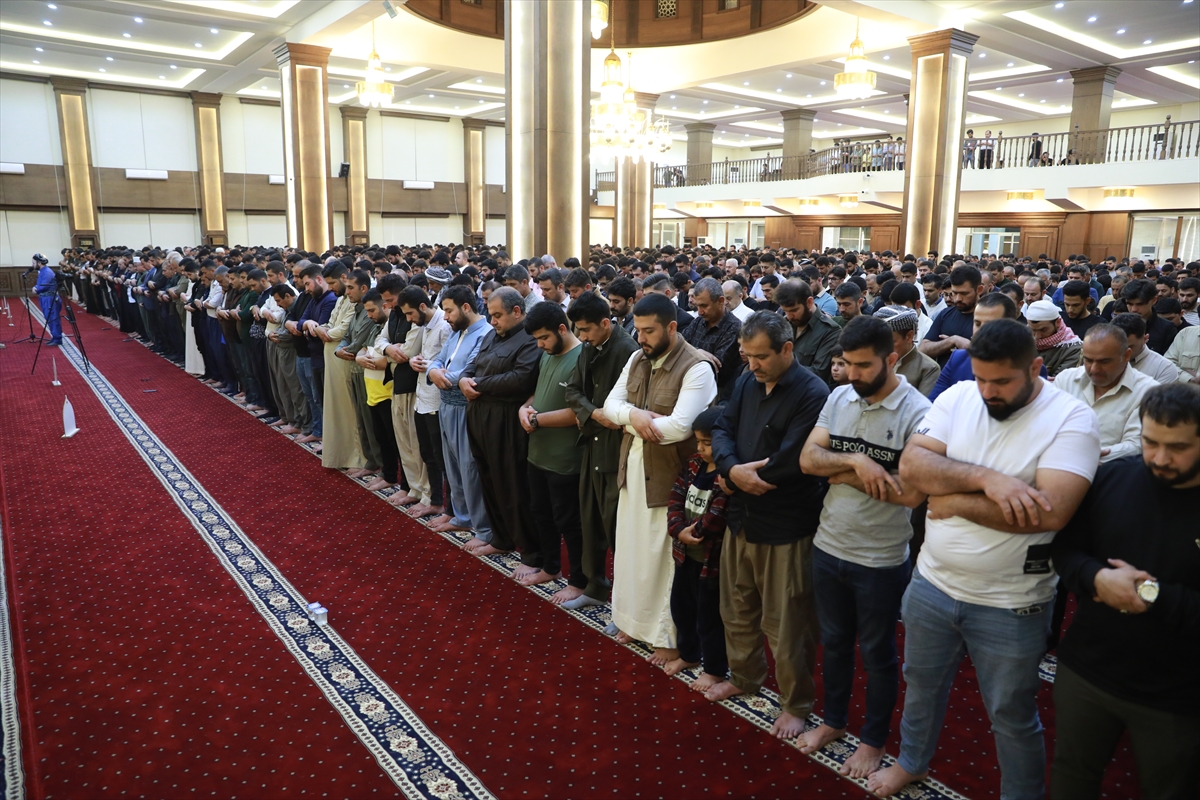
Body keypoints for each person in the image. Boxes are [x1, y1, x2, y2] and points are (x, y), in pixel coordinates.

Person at [870, 319, 1100, 799]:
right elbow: (913, 466)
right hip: (932, 584)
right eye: (980, 379)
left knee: (1011, 714)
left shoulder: (1072, 418)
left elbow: (1050, 513)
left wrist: (952, 501)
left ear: (1035, 368)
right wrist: (989, 481)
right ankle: (912, 762)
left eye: (1002, 381)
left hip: (1013, 602)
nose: (988, 392)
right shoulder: (959, 397)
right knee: (921, 687)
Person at [1050, 383, 1200, 799]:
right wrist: (1096, 578)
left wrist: (1150, 594)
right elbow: (1065, 550)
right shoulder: (1114, 476)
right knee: (1070, 776)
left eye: (1178, 447)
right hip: (1087, 671)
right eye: (1150, 442)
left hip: (1177, 694)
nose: (1161, 458)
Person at [797, 316, 930, 777]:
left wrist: (838, 472)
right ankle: (834, 721)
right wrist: (858, 462)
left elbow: (911, 493)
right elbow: (808, 460)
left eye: (863, 365)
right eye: (846, 364)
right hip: (829, 543)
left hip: (881, 557)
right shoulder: (840, 396)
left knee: (877, 653)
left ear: (891, 359)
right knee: (833, 643)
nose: (852, 374)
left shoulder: (919, 411)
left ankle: (873, 742)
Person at [705, 311, 831, 741]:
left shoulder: (812, 391)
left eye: (761, 357)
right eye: (747, 356)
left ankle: (796, 704)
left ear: (787, 349)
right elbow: (722, 427)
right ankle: (744, 677)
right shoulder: (747, 380)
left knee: (787, 625)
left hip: (785, 525)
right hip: (741, 515)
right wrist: (731, 470)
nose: (753, 364)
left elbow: (793, 459)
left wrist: (739, 477)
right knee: (737, 609)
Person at [604, 293, 718, 666]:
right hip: (633, 470)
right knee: (632, 552)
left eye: (649, 331)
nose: (641, 338)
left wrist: (625, 419)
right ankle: (632, 623)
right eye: (637, 330)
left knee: (664, 562)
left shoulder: (697, 368)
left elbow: (678, 428)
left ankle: (667, 638)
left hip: (672, 480)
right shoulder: (637, 358)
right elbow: (609, 406)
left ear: (671, 327)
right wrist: (636, 416)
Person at [560, 291, 642, 610]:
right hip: (593, 444)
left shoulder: (628, 350)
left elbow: (631, 403)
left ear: (605, 323)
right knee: (590, 521)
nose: (581, 337)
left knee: (618, 530)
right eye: (578, 330)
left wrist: (603, 414)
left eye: (585, 330)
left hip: (616, 450)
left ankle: (625, 605)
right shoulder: (588, 346)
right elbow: (572, 391)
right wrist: (594, 413)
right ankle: (594, 588)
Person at [461, 287, 541, 563]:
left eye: (497, 315)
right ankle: (501, 538)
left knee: (512, 485)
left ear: (516, 312)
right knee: (488, 480)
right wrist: (464, 378)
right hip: (479, 416)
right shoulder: (492, 335)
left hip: (506, 420)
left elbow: (521, 378)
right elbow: (473, 364)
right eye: (490, 315)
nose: (492, 321)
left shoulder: (529, 337)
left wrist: (477, 384)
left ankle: (530, 552)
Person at [520, 302, 585, 587]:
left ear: (562, 329)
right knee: (541, 514)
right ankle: (550, 567)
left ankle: (579, 581)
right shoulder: (548, 355)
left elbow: (579, 412)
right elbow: (538, 394)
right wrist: (524, 408)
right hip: (538, 453)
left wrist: (536, 420)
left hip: (565, 458)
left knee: (569, 522)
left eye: (544, 337)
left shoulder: (582, 358)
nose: (540, 345)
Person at [663, 407, 729, 686]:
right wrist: (678, 530)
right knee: (681, 607)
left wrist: (695, 532)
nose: (700, 448)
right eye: (698, 441)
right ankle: (689, 654)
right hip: (684, 554)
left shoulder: (727, 474)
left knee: (709, 617)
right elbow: (676, 497)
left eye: (707, 443)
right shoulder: (693, 463)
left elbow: (719, 513)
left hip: (709, 561)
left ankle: (714, 669)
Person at [427, 285, 493, 540]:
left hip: (467, 409)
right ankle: (462, 517)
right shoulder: (456, 332)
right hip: (446, 406)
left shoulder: (485, 333)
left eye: (449, 311)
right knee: (453, 467)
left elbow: (470, 372)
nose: (445, 317)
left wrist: (440, 375)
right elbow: (437, 360)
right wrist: (434, 371)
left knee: (469, 468)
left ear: (466, 307)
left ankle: (483, 528)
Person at [1055, 325, 1159, 462]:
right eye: (1088, 360)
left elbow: (1136, 446)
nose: (1094, 369)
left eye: (1104, 362)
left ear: (1126, 355)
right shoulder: (1065, 380)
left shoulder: (1148, 392)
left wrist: (1084, 457)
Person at [397, 285, 452, 519]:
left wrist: (426, 365)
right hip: (422, 398)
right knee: (427, 453)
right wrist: (415, 361)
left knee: (441, 457)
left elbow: (451, 364)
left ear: (422, 306)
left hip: (437, 401)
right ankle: (435, 500)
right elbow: (423, 357)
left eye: (410, 313)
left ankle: (447, 506)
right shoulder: (424, 324)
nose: (409, 319)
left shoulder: (444, 325)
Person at [774, 279, 840, 385]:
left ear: (809, 302)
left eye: (794, 310)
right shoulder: (784, 324)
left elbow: (818, 373)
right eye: (785, 311)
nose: (789, 316)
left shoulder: (830, 331)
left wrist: (779, 368)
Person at [681, 278, 742, 392]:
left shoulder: (734, 328)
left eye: (704, 306)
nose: (700, 312)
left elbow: (714, 368)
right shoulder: (698, 321)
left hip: (717, 392)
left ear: (720, 301)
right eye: (698, 306)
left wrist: (689, 352)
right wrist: (697, 351)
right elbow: (677, 345)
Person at [919, 266, 982, 365]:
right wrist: (951, 341)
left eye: (964, 293)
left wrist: (968, 346)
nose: (958, 299)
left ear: (979, 290)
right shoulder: (945, 314)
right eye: (954, 293)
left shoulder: (990, 318)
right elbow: (923, 349)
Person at [875, 306, 940, 395]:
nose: (881, 347)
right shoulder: (872, 361)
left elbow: (922, 403)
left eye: (889, 342)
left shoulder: (928, 368)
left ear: (909, 336)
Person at [1110, 312, 1185, 384]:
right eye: (1117, 346)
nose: (1122, 352)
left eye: (1129, 347)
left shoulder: (1164, 368)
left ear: (1145, 339)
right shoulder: (1104, 361)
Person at [1026, 298, 1083, 378]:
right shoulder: (1022, 343)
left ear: (1057, 323)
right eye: (1032, 330)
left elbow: (1061, 381)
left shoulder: (1073, 349)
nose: (1037, 336)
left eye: (1043, 330)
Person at [1123, 279, 1178, 354]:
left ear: (1154, 300)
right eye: (1130, 304)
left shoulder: (1167, 328)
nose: (1134, 309)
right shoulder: (1117, 326)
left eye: (1140, 304)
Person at [31, 253, 64, 346]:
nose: (32, 265)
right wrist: (36, 287)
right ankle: (55, 336)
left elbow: (43, 286)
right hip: (45, 298)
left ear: (39, 263)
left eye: (34, 263)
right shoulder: (42, 271)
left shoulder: (47, 272)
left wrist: (36, 289)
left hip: (50, 298)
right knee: (49, 318)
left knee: (53, 318)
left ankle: (57, 338)